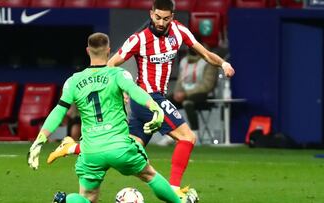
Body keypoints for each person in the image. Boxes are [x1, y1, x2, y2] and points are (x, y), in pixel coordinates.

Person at [47, 0, 235, 196]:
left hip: (152, 99)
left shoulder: (180, 31)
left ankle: (72, 147)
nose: (161, 23)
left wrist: (222, 64)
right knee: (187, 137)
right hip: (147, 98)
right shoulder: (138, 39)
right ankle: (174, 189)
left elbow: (204, 53)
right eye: (158, 17)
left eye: (166, 18)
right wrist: (119, 89)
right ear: (151, 13)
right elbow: (110, 65)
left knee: (129, 147)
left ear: (173, 16)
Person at [27, 33, 198, 203]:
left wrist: (40, 139)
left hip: (90, 151)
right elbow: (135, 91)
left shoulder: (73, 81)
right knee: (149, 175)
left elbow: (59, 111)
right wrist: (155, 108)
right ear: (109, 51)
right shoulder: (118, 74)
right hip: (120, 148)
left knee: (87, 198)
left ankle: (64, 200)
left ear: (88, 51)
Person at [169, 47, 219, 144]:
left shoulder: (207, 60)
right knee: (166, 103)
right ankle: (171, 135)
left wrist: (186, 94)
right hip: (183, 93)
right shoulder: (184, 61)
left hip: (202, 95)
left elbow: (207, 85)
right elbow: (180, 80)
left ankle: (194, 136)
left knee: (188, 103)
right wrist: (177, 93)